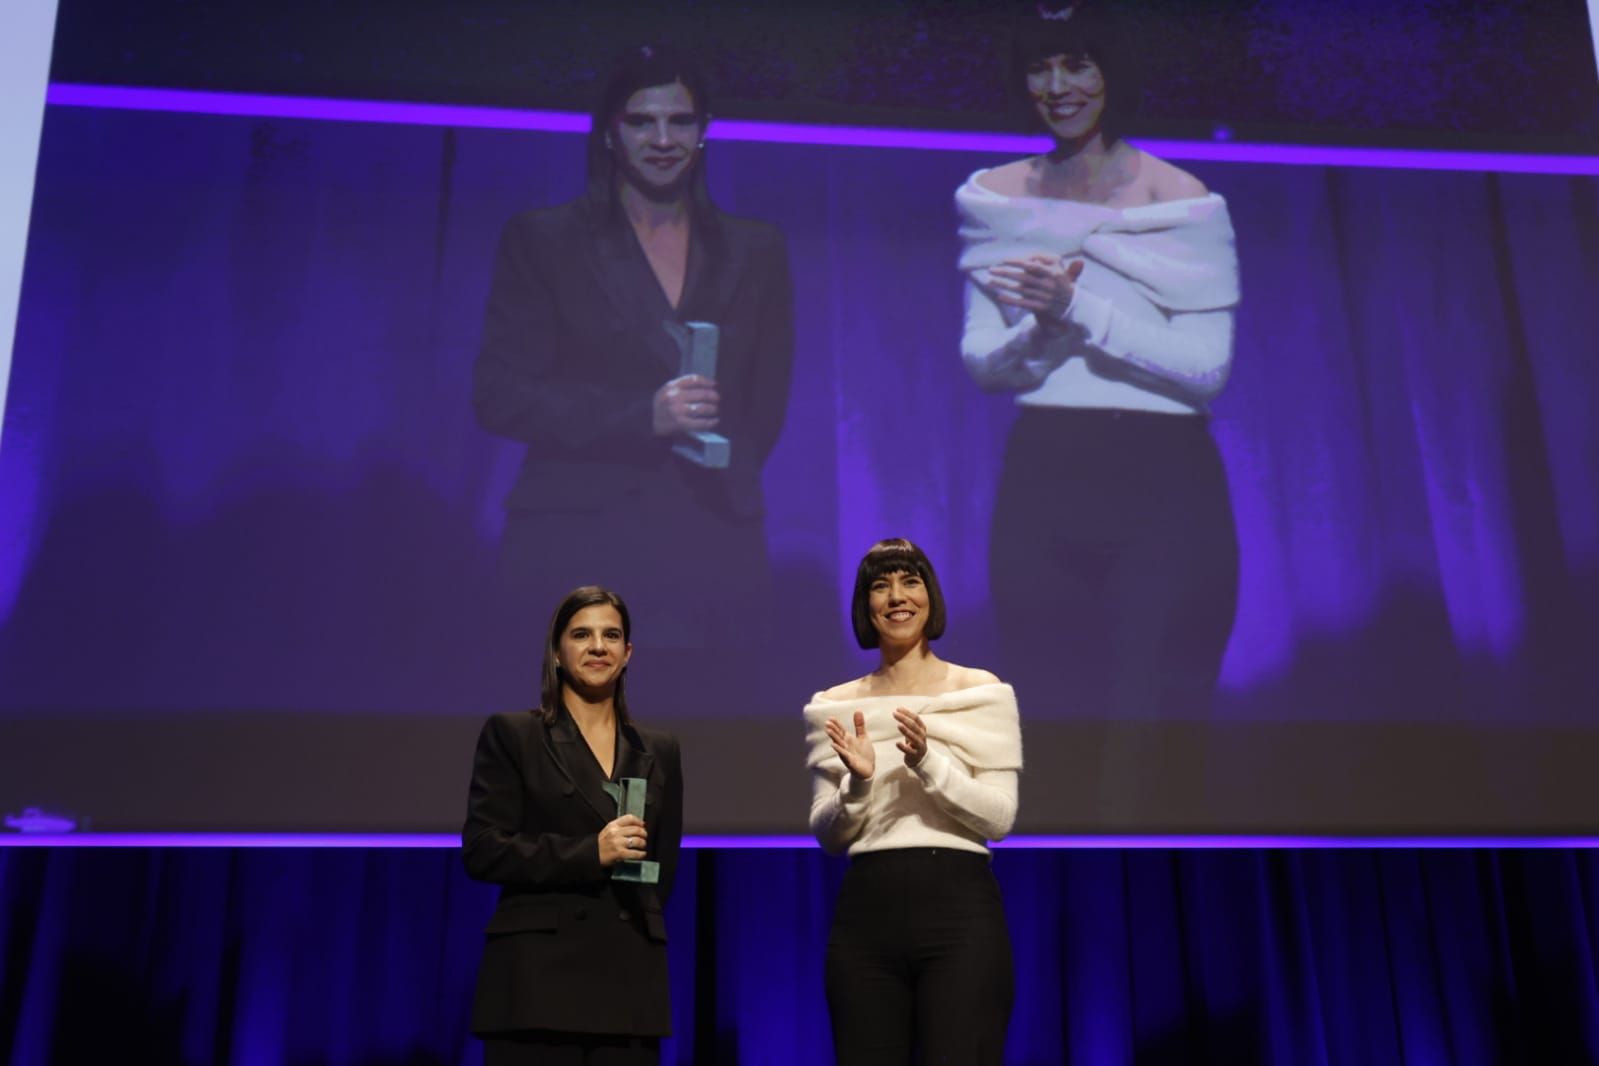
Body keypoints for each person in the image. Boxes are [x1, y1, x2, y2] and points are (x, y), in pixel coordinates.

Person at [955, 4, 1241, 729]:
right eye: (1039, 67)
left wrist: (1076, 308)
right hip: (1044, 474)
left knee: (1153, 724)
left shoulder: (1186, 203)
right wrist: (1039, 333)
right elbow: (984, 361)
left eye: (1077, 64)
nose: (1057, 86)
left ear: (1112, 71)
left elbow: (1206, 370)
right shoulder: (994, 199)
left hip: (1163, 484)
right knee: (1049, 719)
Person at [473, 44, 795, 672]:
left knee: (707, 745)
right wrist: (641, 416)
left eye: (680, 121)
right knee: (569, 759)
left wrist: (725, 482)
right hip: (576, 539)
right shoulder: (545, 241)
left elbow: (764, 402)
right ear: (609, 133)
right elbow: (500, 393)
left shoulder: (755, 249)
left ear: (703, 133)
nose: (663, 138)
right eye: (642, 121)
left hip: (712, 544)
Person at [804, 539, 1022, 1065]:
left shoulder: (979, 692)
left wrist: (928, 762)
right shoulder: (835, 705)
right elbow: (829, 834)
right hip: (866, 915)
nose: (896, 597)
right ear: (865, 605)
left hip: (959, 910)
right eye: (880, 586)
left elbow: (999, 818)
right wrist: (858, 783)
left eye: (909, 581)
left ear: (930, 595)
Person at [463, 585, 683, 1065]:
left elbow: (661, 869)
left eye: (611, 635)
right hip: (537, 986)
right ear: (558, 653)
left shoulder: (658, 749)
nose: (597, 646)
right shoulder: (514, 735)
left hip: (628, 986)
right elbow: (483, 849)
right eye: (581, 634)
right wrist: (591, 853)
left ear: (627, 654)